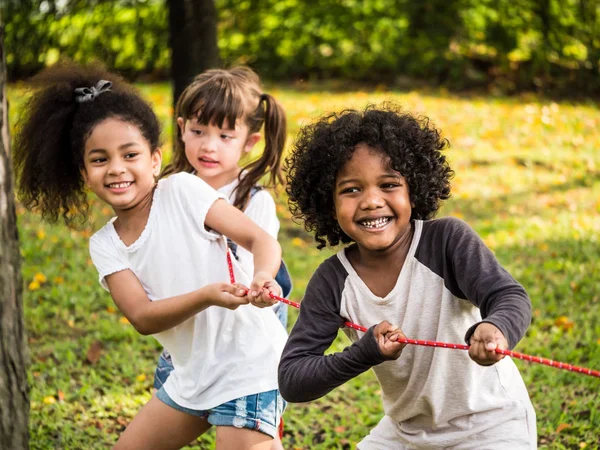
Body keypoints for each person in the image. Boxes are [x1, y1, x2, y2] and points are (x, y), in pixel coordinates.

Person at [13, 63, 287, 450]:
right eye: (99, 159)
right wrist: (208, 294)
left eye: (130, 154)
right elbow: (142, 317)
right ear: (83, 173)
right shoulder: (104, 245)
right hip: (191, 373)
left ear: (155, 160)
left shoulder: (183, 191)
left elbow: (261, 240)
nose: (117, 168)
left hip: (249, 364)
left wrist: (262, 275)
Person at [279, 104, 537, 449]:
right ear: (328, 203)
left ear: (413, 190)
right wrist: (364, 352)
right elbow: (293, 379)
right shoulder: (333, 281)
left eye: (388, 184)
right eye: (351, 189)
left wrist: (497, 328)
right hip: (407, 433)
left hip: (490, 425)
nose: (371, 201)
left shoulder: (445, 241)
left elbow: (508, 296)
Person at [154, 67, 291, 398]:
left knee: (252, 424)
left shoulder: (253, 200)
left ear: (250, 142)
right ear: (182, 129)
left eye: (225, 136)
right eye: (199, 131)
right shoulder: (170, 191)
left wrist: (262, 279)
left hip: (246, 332)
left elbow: (260, 255)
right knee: (169, 402)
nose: (209, 147)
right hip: (192, 326)